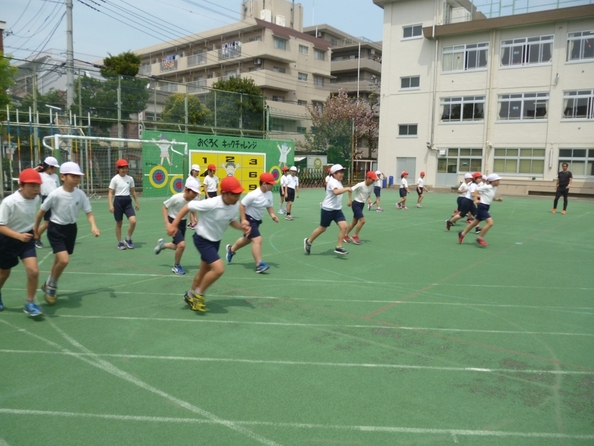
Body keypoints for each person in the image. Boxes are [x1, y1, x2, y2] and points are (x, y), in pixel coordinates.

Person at [168, 176, 245, 312]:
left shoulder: (234, 205)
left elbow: (231, 220)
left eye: (239, 194)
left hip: (215, 241)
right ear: (225, 193)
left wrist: (241, 227)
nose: (237, 197)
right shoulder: (212, 203)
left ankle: (190, 295)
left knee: (204, 271)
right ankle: (199, 293)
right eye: (235, 194)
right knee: (219, 269)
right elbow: (188, 206)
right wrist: (174, 224)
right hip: (202, 240)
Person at [34, 162, 100, 305]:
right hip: (55, 229)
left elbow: (89, 212)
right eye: (73, 176)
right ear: (63, 177)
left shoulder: (80, 194)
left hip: (71, 229)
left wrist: (93, 226)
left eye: (78, 176)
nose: (76, 179)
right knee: (64, 260)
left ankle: (48, 283)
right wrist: (35, 230)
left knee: (59, 260)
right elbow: (41, 212)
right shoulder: (55, 194)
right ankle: (52, 286)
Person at [0, 168, 44, 317]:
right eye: (32, 186)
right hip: (7, 240)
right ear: (21, 185)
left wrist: (33, 232)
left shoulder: (36, 198)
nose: (36, 189)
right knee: (4, 273)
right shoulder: (9, 202)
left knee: (33, 271)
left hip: (27, 239)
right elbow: (0, 226)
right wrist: (17, 236)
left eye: (38, 186)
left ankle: (30, 303)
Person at [226, 173, 279, 273]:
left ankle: (231, 249)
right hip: (248, 218)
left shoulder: (269, 193)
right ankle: (259, 265)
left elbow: (269, 206)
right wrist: (244, 219)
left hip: (256, 220)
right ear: (264, 184)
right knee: (257, 240)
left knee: (247, 240)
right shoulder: (253, 194)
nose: (273, 185)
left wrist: (272, 215)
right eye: (271, 183)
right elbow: (242, 205)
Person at [154, 177, 200, 275]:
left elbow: (192, 208)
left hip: (182, 223)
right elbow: (164, 207)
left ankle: (163, 245)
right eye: (194, 192)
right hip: (172, 221)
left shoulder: (194, 199)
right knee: (182, 245)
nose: (195, 195)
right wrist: (167, 223)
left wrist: (195, 218)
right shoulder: (176, 197)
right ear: (187, 190)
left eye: (196, 193)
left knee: (177, 246)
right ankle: (176, 265)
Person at [304, 164, 352, 256]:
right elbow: (336, 192)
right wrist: (347, 188)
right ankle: (308, 241)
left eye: (342, 172)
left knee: (344, 226)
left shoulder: (339, 182)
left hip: (337, 209)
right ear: (334, 174)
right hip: (328, 209)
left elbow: (348, 190)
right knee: (322, 228)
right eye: (340, 172)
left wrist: (350, 200)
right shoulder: (332, 182)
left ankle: (339, 247)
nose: (342, 174)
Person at [458, 173, 503, 247]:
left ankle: (462, 234)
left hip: (486, 207)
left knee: (474, 223)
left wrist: (497, 199)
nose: (498, 182)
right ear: (492, 181)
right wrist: (476, 200)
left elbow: (489, 197)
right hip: (482, 206)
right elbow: (476, 190)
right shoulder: (487, 187)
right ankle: (480, 238)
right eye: (497, 180)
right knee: (490, 223)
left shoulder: (494, 188)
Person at [108, 159, 140, 250]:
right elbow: (110, 192)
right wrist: (110, 204)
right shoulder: (115, 179)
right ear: (118, 168)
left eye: (126, 168)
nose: (124, 170)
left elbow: (133, 191)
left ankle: (128, 238)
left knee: (133, 221)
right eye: (122, 168)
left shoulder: (130, 179)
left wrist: (137, 202)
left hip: (127, 201)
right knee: (119, 223)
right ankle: (120, 242)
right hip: (118, 201)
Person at [34, 156, 61, 248]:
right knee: (47, 222)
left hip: (56, 199)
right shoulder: (40, 175)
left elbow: (58, 188)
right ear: (49, 166)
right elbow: (27, 174)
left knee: (53, 221)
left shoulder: (55, 176)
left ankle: (36, 238)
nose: (55, 169)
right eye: (54, 167)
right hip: (46, 199)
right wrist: (37, 169)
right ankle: (36, 238)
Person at [344, 171, 377, 245]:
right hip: (356, 204)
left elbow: (368, 194)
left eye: (374, 180)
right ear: (368, 178)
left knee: (354, 222)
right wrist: (350, 200)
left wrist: (369, 200)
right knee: (362, 221)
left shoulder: (371, 186)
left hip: (362, 205)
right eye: (372, 179)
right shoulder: (360, 185)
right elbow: (350, 190)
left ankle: (345, 235)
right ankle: (355, 236)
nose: (373, 181)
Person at [187, 164, 201, 229]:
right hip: (190, 197)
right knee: (192, 210)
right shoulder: (189, 179)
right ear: (192, 171)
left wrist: (199, 198)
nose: (197, 172)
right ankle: (193, 223)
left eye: (198, 171)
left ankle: (191, 223)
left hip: (195, 197)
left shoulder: (198, 179)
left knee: (193, 210)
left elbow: (198, 189)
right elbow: (186, 188)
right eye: (196, 171)